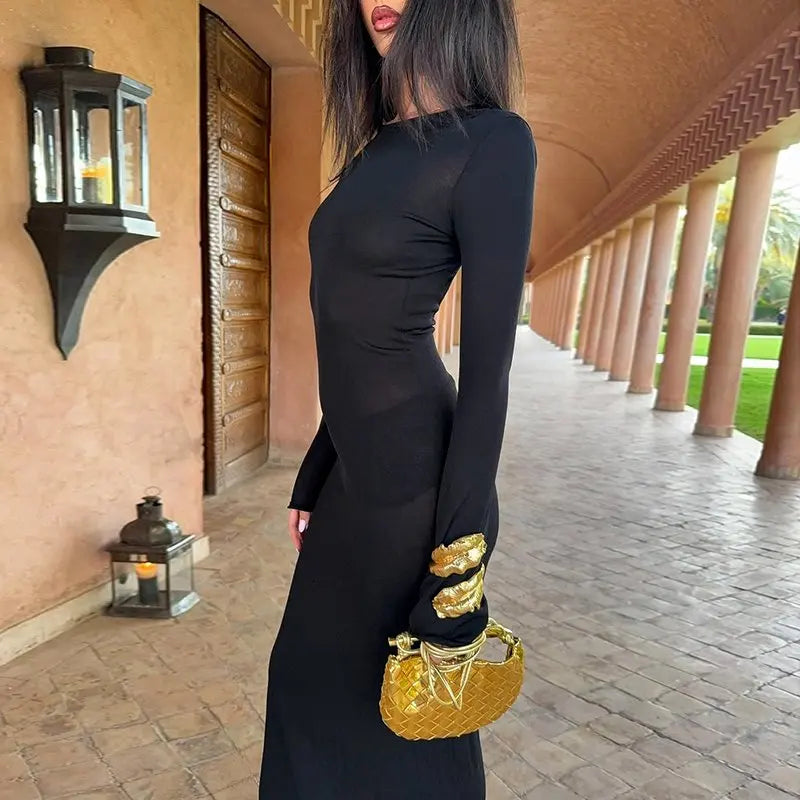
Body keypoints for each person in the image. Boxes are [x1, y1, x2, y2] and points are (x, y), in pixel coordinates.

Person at [259, 0, 536, 797]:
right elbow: (353, 334)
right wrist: (316, 472)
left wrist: (460, 570)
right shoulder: (376, 148)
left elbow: (488, 373)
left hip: (417, 488)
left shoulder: (494, 142)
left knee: (395, 716)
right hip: (355, 480)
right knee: (313, 691)